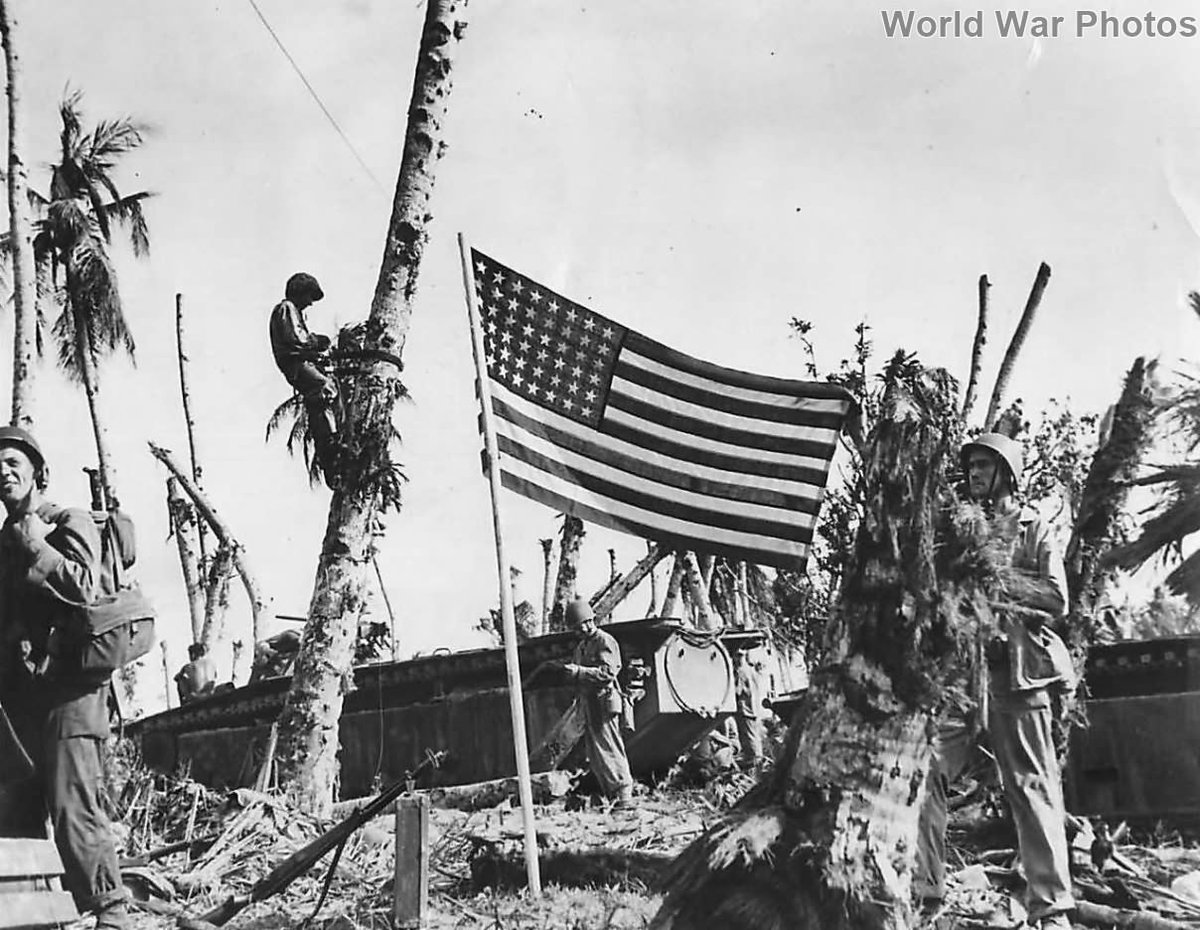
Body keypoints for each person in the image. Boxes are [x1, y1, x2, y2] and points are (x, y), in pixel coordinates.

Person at [916, 433, 1075, 929]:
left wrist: (995, 581)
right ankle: (925, 899)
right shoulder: (963, 529)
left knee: (1032, 785)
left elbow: (1055, 599)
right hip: (965, 678)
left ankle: (1052, 910)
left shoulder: (1034, 527)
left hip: (1020, 677)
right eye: (972, 466)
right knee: (925, 772)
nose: (975, 474)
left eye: (985, 465)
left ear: (1007, 472)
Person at [0, 426, 129, 929]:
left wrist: (38, 548)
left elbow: (85, 593)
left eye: (13, 462)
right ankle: (33, 918)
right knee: (17, 814)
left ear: (37, 472)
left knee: (75, 810)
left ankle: (111, 913)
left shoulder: (66, 521)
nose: (3, 472)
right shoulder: (3, 541)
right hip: (20, 701)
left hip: (71, 693)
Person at [559, 598, 635, 808]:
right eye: (578, 626)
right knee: (596, 752)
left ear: (592, 620)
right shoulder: (582, 647)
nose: (583, 628)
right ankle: (613, 796)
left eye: (586, 623)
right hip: (590, 704)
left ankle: (624, 795)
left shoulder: (604, 641)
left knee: (610, 747)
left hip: (604, 702)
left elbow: (609, 672)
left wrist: (579, 671)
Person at [269, 272, 339, 482]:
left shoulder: (293, 311)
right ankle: (328, 444)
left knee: (326, 394)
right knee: (324, 388)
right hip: (295, 363)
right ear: (299, 293)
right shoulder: (286, 308)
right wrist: (317, 341)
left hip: (300, 362)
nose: (309, 303)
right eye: (308, 296)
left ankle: (329, 439)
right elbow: (297, 339)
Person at [732, 648, 765, 769]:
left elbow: (737, 691)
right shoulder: (751, 670)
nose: (736, 659)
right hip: (754, 707)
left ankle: (754, 761)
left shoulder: (740, 672)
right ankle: (757, 759)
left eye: (737, 657)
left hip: (745, 708)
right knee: (754, 735)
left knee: (748, 736)